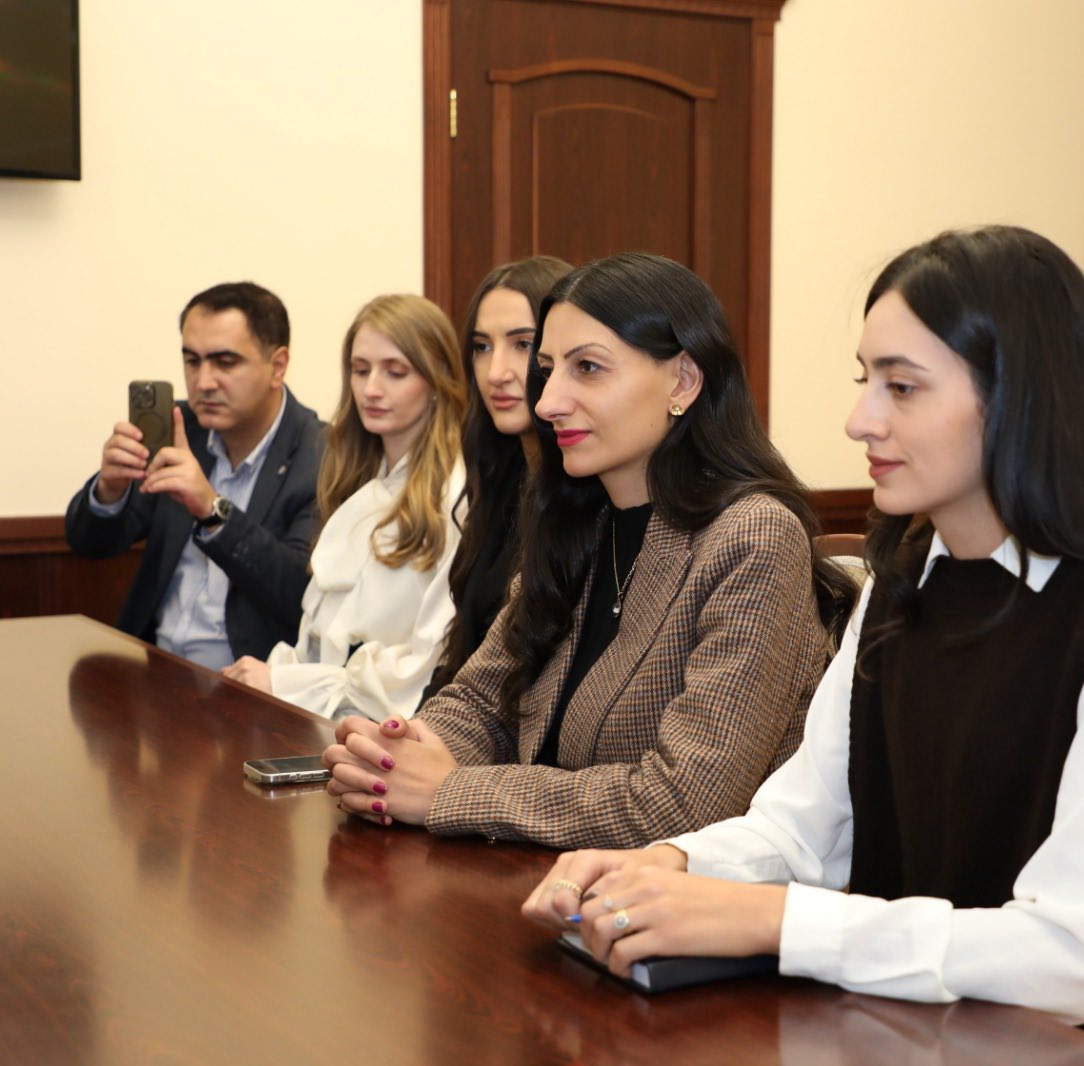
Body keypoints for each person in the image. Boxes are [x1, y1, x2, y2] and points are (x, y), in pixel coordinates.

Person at [521, 227, 1084, 1064]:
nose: (860, 420)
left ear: (1020, 398)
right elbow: (804, 830)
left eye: (902, 387)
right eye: (866, 381)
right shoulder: (903, 582)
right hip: (937, 1032)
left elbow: (1071, 958)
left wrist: (779, 920)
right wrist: (661, 863)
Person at [322, 253, 858, 849]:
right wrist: (396, 756)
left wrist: (449, 791)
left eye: (588, 368)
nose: (547, 401)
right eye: (548, 369)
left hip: (672, 898)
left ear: (683, 381)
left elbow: (684, 802)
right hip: (544, 874)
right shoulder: (583, 518)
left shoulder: (752, 535)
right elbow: (483, 699)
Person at [221, 295, 469, 719]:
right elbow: (321, 637)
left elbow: (423, 669)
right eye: (360, 370)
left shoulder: (453, 498)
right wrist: (273, 676)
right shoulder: (355, 482)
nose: (371, 390)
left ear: (437, 380)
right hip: (318, 718)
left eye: (395, 372)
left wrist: (286, 683)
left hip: (390, 731)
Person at [64, 282, 324, 668]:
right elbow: (89, 544)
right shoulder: (180, 428)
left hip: (250, 685)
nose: (203, 382)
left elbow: (299, 596)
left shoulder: (322, 455)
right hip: (152, 668)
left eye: (225, 362)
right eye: (192, 361)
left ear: (278, 366)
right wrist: (109, 490)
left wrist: (213, 511)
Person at [423, 256, 573, 703]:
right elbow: (463, 658)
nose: (496, 373)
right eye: (482, 347)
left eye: (523, 344)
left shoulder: (585, 497)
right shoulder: (500, 480)